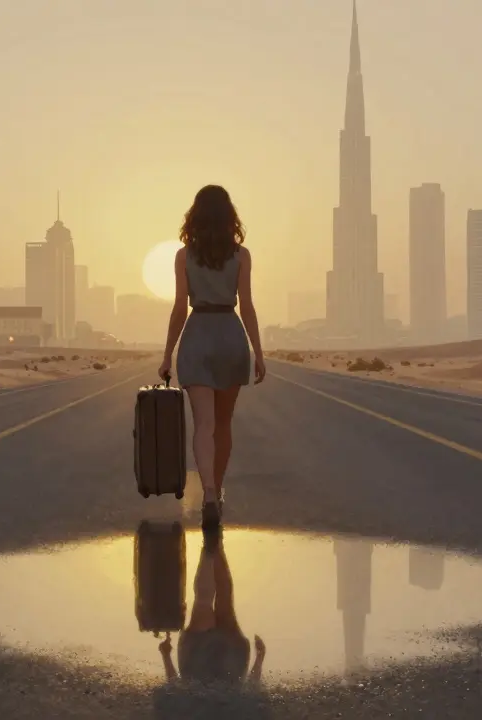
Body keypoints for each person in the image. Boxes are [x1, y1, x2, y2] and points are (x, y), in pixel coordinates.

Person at [158, 184, 265, 530]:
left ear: (195, 216)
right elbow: (246, 305)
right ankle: (217, 491)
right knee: (223, 424)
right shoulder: (242, 256)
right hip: (231, 336)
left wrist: (167, 354)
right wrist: (258, 351)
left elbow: (178, 308)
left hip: (198, 334)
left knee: (203, 424)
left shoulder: (183, 256)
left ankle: (206, 493)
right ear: (229, 216)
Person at [157, 531, 266, 687]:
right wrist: (166, 655)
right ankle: (210, 547)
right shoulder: (190, 710)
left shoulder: (233, 709)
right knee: (203, 600)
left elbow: (251, 688)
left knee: (224, 594)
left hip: (231, 666)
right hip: (198, 666)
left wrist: (260, 658)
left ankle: (216, 542)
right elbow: (175, 689)